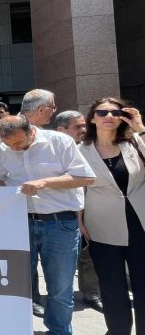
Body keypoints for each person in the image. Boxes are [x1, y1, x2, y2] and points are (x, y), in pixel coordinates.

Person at [0, 115, 95, 335]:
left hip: (60, 223)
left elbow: (85, 178)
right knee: (17, 282)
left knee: (59, 286)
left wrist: (45, 182)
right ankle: (16, 331)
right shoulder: (4, 149)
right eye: (9, 144)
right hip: (20, 222)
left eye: (20, 144)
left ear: (31, 131)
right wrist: (11, 190)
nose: (15, 149)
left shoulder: (60, 143)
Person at [0, 89, 58, 318]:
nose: (53, 113)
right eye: (52, 108)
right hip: (15, 211)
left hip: (49, 212)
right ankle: (28, 301)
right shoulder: (4, 131)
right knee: (22, 262)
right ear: (42, 109)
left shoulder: (50, 137)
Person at [78, 98, 145, 335]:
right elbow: (77, 188)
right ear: (92, 118)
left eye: (115, 112)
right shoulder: (81, 149)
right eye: (101, 112)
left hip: (140, 221)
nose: (108, 116)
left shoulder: (135, 143)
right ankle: (117, 334)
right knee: (111, 280)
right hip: (101, 222)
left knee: (143, 282)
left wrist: (139, 128)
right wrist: (79, 220)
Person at [54, 111, 102, 312]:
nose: (83, 130)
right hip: (69, 212)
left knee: (93, 252)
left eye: (84, 125)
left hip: (99, 207)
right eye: (77, 127)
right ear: (61, 130)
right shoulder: (56, 152)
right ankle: (84, 293)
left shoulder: (92, 149)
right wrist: (79, 219)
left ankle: (94, 291)